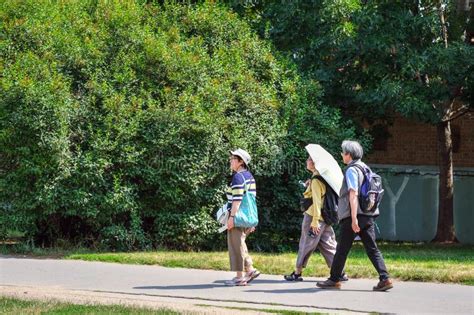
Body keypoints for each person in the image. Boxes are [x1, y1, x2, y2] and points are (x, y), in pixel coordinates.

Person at [317, 140, 393, 291]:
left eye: (343, 152)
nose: (342, 155)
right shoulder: (366, 168)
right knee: (372, 249)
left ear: (349, 155)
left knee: (342, 249)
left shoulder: (352, 170)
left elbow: (353, 194)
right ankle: (385, 278)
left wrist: (353, 219)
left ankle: (334, 279)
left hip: (354, 215)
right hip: (368, 214)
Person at [284, 147, 347, 282]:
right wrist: (310, 184)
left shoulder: (317, 180)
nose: (307, 161)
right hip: (326, 217)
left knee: (306, 243)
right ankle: (340, 272)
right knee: (329, 244)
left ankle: (297, 272)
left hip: (314, 216)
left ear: (314, 163)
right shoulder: (321, 177)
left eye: (309, 159)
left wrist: (314, 221)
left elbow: (317, 202)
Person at [225, 149, 260, 286]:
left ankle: (241, 276)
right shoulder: (249, 176)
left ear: (241, 162)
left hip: (238, 216)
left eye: (233, 158)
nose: (230, 160)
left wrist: (232, 217)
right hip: (248, 216)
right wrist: (252, 221)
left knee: (236, 245)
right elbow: (252, 200)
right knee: (240, 244)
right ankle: (249, 270)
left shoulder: (238, 177)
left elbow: (237, 200)